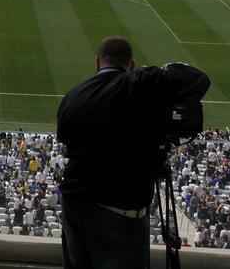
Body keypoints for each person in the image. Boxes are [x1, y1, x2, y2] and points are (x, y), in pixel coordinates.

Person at [56, 36, 209, 269]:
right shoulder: (137, 84)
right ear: (132, 63)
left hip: (74, 210)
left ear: (97, 62)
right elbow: (198, 79)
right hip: (119, 214)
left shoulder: (72, 96)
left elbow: (67, 144)